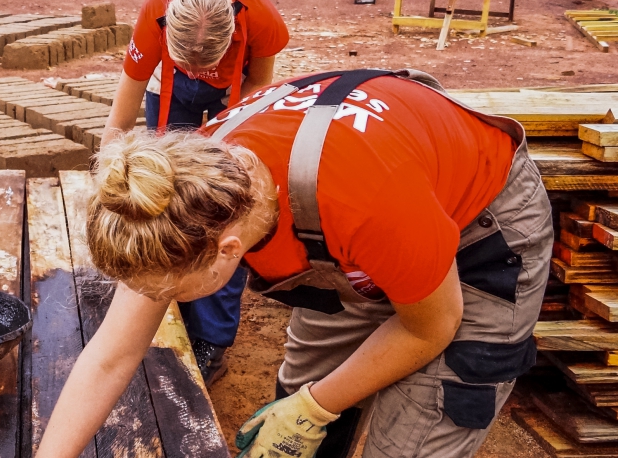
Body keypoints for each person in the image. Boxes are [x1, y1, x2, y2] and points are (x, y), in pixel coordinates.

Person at [37, 69, 547, 457]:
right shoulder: (181, 194)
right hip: (360, 232)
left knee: (412, 432)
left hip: (478, 229)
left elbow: (429, 329)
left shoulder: (365, 200)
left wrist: (314, 407)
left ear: (229, 253)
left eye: (168, 293)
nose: (155, 302)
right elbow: (109, 358)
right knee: (293, 419)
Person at [100, 0, 289, 382]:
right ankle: (171, 299)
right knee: (161, 195)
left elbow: (259, 92)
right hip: (168, 92)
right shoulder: (154, 15)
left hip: (236, 92)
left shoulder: (261, 17)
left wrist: (228, 159)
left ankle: (212, 338)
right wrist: (110, 183)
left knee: (223, 211)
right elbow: (121, 114)